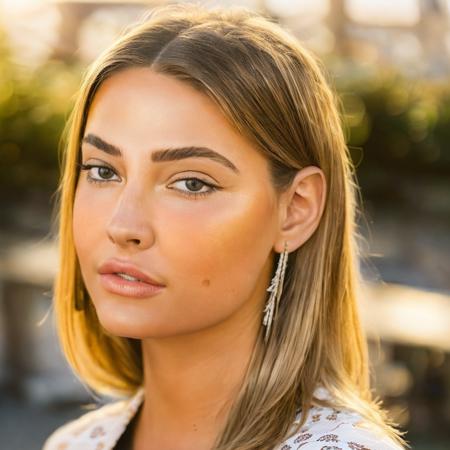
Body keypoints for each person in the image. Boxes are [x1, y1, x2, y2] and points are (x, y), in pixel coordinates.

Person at [42, 3, 409, 450]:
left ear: (296, 208)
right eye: (102, 171)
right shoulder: (77, 444)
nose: (123, 225)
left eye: (191, 182)